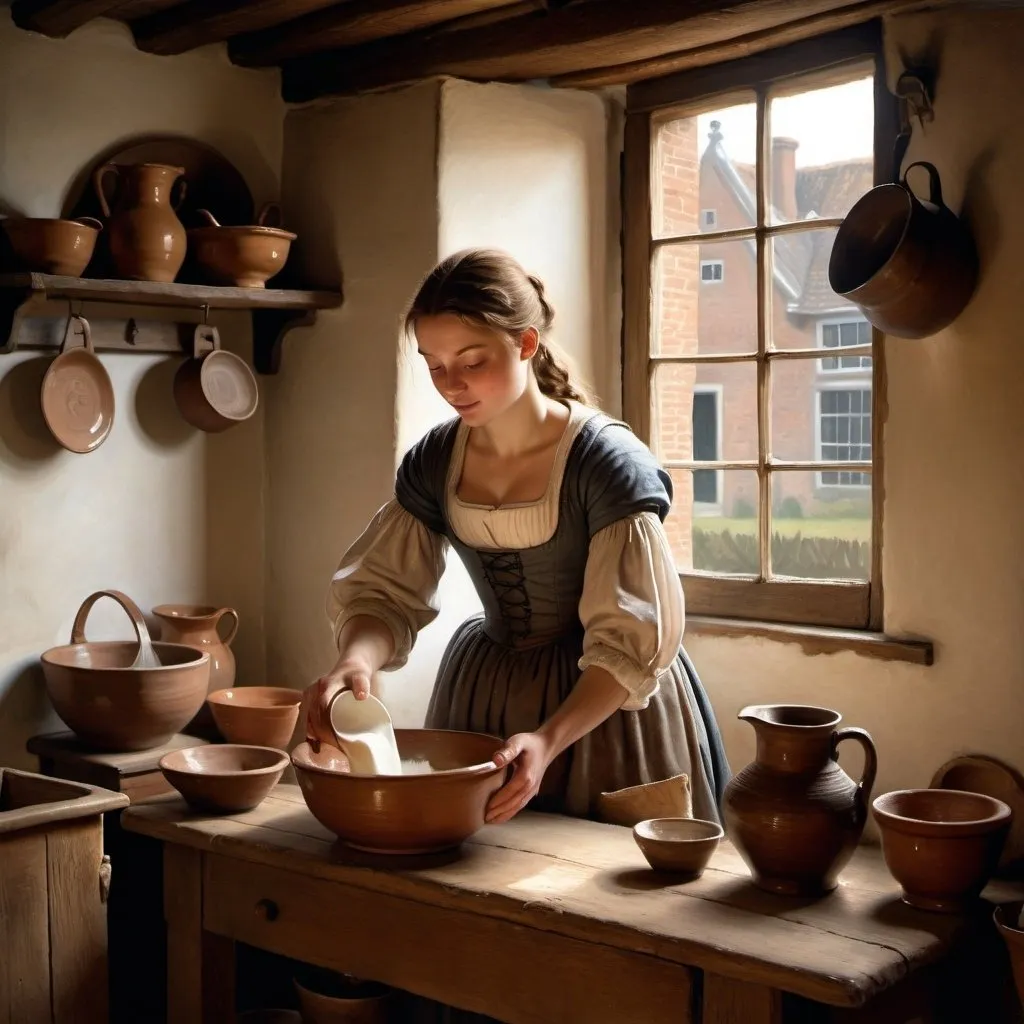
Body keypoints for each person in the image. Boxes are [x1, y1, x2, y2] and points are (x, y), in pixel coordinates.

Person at [302, 247, 730, 827]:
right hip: (486, 694)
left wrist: (550, 740)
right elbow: (384, 595)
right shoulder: (435, 461)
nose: (450, 384)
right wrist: (354, 659)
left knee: (601, 887)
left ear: (526, 344)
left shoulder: (604, 463)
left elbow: (631, 640)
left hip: (603, 708)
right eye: (433, 364)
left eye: (472, 361)